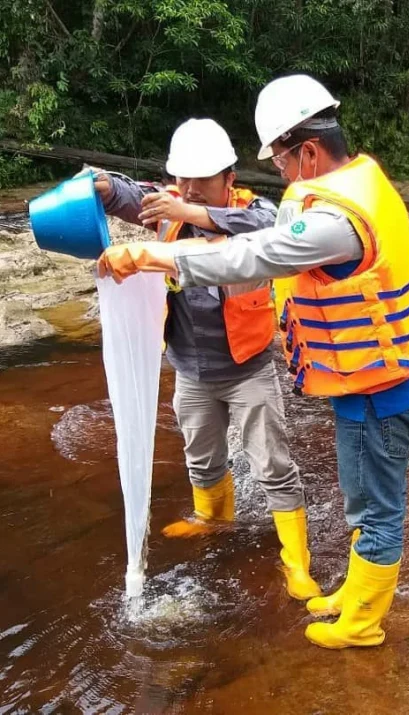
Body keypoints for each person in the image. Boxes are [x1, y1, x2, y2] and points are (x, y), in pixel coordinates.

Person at [96, 76, 409, 649]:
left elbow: (256, 251)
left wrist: (154, 254)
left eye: (278, 157)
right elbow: (147, 200)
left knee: (374, 511)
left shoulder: (335, 219)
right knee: (362, 499)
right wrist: (107, 189)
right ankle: (354, 595)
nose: (276, 169)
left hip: (385, 389)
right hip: (372, 382)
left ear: (307, 150)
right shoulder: (351, 186)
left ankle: (362, 625)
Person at [94, 117, 320, 601]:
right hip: (191, 368)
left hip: (248, 368)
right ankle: (213, 519)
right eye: (183, 180)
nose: (190, 190)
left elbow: (270, 226)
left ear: (229, 179)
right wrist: (107, 187)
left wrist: (192, 212)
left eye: (203, 180)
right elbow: (130, 196)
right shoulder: (168, 208)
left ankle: (295, 559)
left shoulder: (256, 214)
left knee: (272, 464)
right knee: (201, 457)